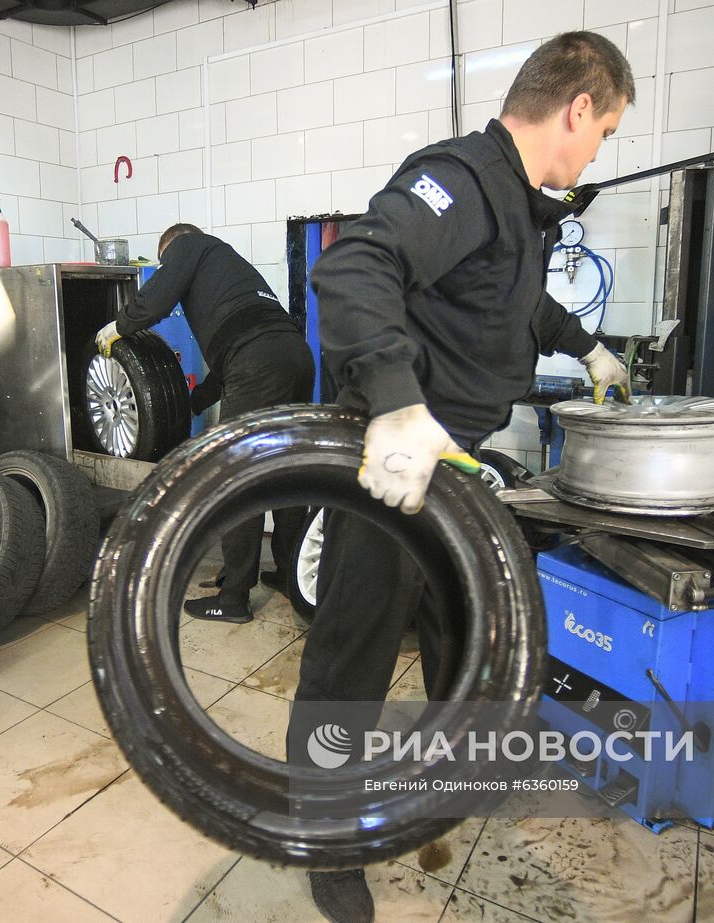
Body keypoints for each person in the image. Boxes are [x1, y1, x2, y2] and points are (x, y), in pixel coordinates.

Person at [285, 32, 635, 923]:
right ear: (578, 106)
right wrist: (398, 402)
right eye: (606, 131)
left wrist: (584, 342)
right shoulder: (463, 179)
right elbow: (352, 267)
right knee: (354, 657)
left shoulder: (515, 205)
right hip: (394, 459)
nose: (600, 151)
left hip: (457, 464)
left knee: (461, 625)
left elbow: (513, 298)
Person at [96, 224, 315, 624]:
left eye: (166, 261)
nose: (168, 267)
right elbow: (233, 358)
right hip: (294, 356)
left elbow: (157, 299)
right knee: (286, 473)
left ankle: (233, 598)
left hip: (259, 361)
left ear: (171, 247)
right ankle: (287, 572)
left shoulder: (189, 244)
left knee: (236, 482)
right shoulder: (230, 269)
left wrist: (119, 327)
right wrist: (194, 402)